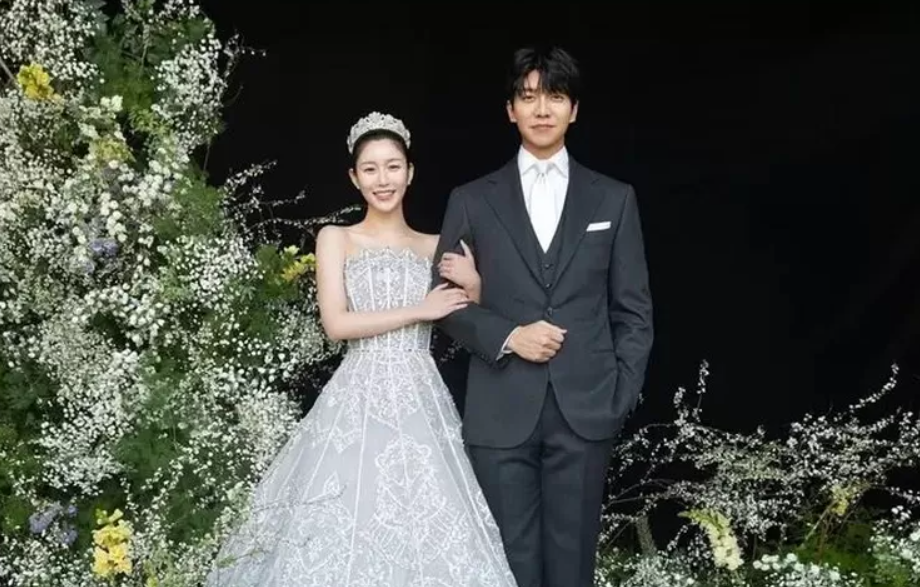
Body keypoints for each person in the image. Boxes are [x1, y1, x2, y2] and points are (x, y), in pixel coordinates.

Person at [207, 112, 518, 587]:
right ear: (354, 177)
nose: (382, 179)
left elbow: (463, 319)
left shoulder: (436, 245)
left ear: (410, 172)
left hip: (420, 392)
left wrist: (474, 286)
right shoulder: (336, 237)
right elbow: (337, 324)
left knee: (425, 515)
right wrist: (419, 309)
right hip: (358, 388)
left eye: (393, 166)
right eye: (370, 169)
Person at [432, 46, 654, 587]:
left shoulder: (614, 199)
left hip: (586, 409)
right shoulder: (472, 199)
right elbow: (443, 303)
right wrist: (511, 336)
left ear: (573, 110)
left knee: (573, 568)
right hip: (500, 408)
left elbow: (634, 311)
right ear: (511, 109)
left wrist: (618, 397)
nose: (541, 109)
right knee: (507, 569)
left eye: (555, 96)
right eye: (528, 97)